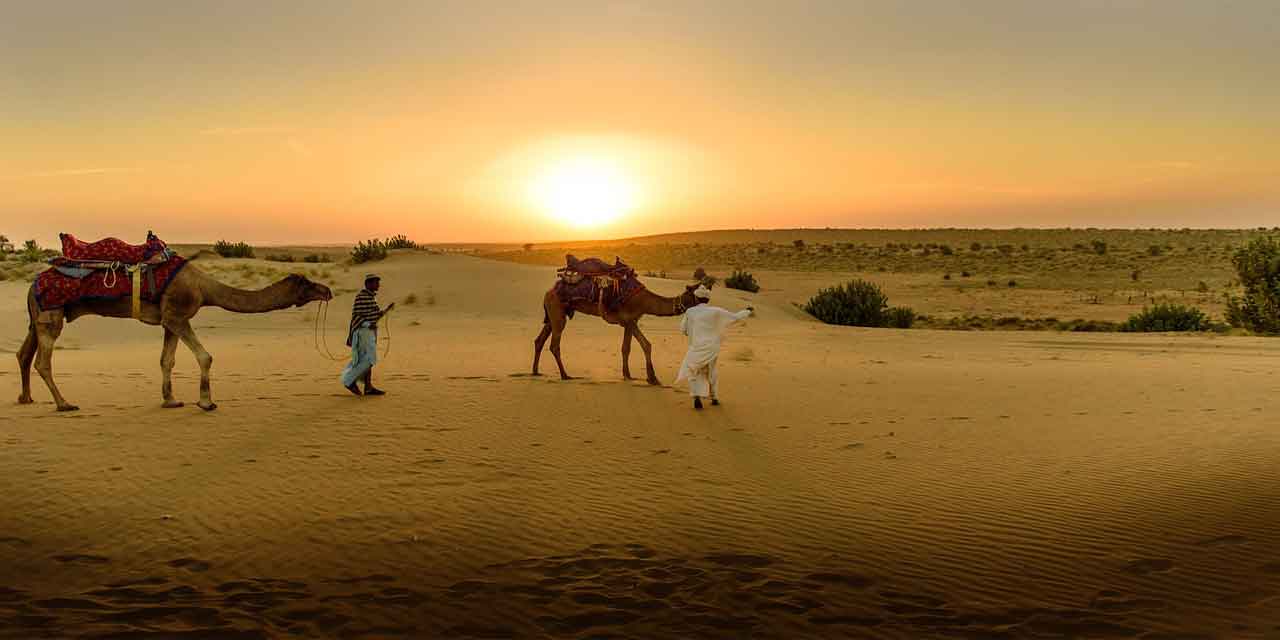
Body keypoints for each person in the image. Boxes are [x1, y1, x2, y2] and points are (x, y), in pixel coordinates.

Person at [675, 285, 754, 409]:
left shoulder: (690, 312)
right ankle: (714, 397)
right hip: (712, 347)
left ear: (696, 299)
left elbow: (683, 329)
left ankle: (696, 396)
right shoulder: (716, 311)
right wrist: (747, 311)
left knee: (693, 369)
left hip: (696, 346)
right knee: (712, 371)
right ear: (708, 300)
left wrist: (693, 333)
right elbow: (734, 317)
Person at [342, 274, 394, 396]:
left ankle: (368, 387)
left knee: (367, 360)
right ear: (368, 284)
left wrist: (387, 310)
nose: (378, 285)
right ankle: (349, 381)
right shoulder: (362, 297)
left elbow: (374, 315)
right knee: (366, 360)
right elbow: (357, 316)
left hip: (369, 334)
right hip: (362, 333)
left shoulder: (371, 298)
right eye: (376, 282)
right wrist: (367, 324)